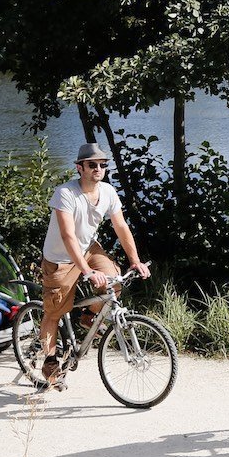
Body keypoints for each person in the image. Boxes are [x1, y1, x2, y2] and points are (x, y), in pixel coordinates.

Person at [39, 142, 149, 389]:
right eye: (92, 165)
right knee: (54, 312)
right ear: (80, 168)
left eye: (102, 164)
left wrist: (135, 260)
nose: (98, 168)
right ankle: (49, 360)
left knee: (114, 281)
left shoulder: (108, 192)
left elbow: (121, 226)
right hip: (61, 259)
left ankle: (88, 317)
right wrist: (87, 272)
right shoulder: (65, 194)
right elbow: (68, 237)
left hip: (88, 248)